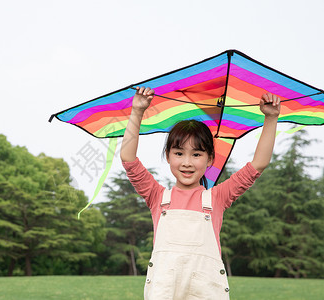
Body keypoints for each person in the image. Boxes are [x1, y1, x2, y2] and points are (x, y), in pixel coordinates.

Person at [120, 87, 280, 300]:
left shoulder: (218, 197)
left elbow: (258, 164)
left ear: (210, 159)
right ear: (168, 156)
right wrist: (137, 111)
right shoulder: (156, 196)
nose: (187, 162)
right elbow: (128, 160)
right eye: (178, 153)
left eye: (196, 154)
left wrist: (270, 118)